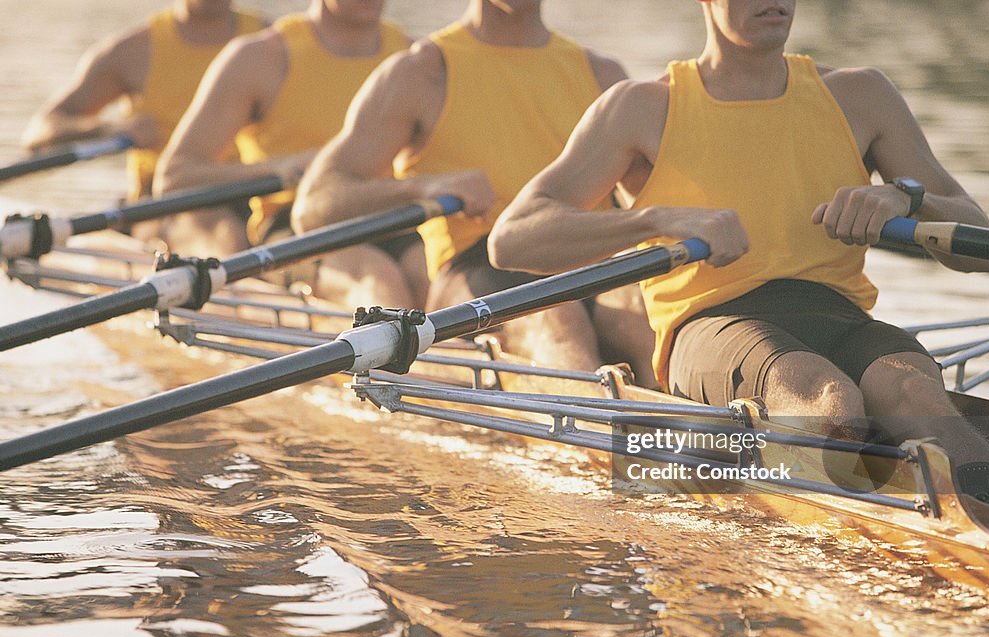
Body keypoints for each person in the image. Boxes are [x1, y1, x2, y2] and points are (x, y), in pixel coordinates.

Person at [490, 0, 989, 501]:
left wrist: (903, 197)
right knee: (828, 400)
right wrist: (658, 218)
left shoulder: (860, 95)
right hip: (711, 323)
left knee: (918, 394)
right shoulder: (643, 107)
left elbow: (977, 244)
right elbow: (512, 238)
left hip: (836, 314)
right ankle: (882, 506)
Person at [292, 0, 656, 383]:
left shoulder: (602, 74)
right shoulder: (423, 72)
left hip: (587, 258)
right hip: (476, 267)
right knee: (554, 317)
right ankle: (597, 430)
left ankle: (685, 432)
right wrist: (426, 186)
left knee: (645, 315)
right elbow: (313, 206)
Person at [155, 0, 413, 302]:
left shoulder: (415, 61)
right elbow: (174, 176)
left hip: (390, 214)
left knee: (425, 274)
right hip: (291, 225)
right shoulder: (262, 58)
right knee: (378, 279)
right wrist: (281, 167)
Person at [21, 0, 265, 202]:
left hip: (261, 189)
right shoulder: (135, 50)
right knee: (216, 227)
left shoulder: (271, 43)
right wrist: (111, 128)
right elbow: (39, 130)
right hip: (168, 200)